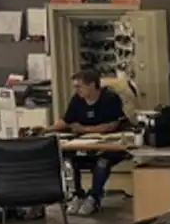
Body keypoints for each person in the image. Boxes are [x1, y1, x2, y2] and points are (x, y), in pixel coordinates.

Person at [48, 70, 128, 216]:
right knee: (68, 159)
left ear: (92, 85)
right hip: (85, 143)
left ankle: (94, 198)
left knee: (102, 162)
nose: (76, 90)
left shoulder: (110, 98)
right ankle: (77, 195)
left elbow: (112, 125)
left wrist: (84, 129)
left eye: (79, 86)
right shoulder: (77, 100)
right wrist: (46, 129)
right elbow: (66, 121)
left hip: (110, 144)